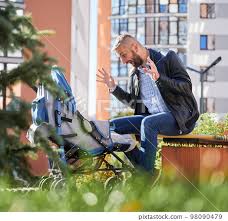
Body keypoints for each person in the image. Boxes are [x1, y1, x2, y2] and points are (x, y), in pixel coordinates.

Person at [97, 33, 199, 175]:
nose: (123, 61)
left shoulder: (167, 58)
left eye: (123, 55)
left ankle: (145, 177)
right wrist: (113, 88)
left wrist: (159, 78)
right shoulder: (135, 75)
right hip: (152, 120)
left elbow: (186, 87)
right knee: (110, 127)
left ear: (134, 47)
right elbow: (134, 103)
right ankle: (143, 167)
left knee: (148, 123)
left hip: (180, 119)